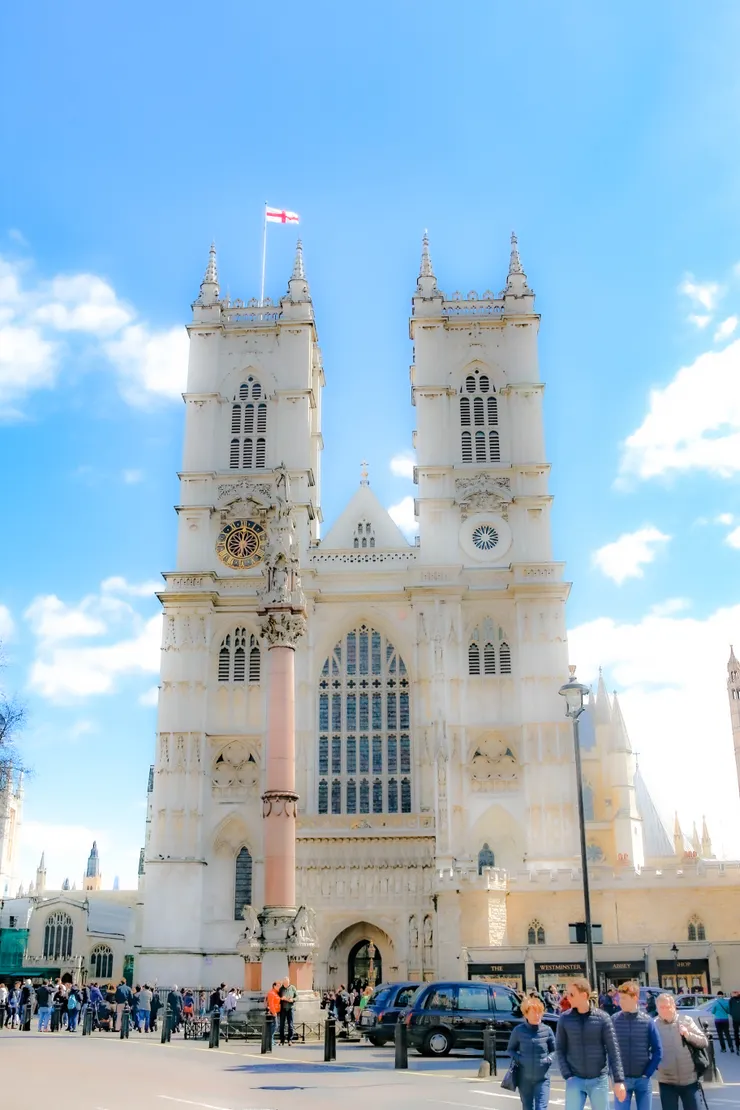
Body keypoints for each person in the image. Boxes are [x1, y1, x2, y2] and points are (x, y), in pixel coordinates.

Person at [555, 978, 625, 1110]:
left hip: (598, 1079)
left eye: (571, 994)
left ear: (584, 995)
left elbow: (613, 1050)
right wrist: (567, 1075)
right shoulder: (564, 1019)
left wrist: (619, 1080)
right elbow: (559, 1049)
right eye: (567, 993)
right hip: (574, 1079)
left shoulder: (603, 1018)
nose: (567, 997)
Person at [611, 981, 663, 1110]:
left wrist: (647, 1073)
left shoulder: (647, 1021)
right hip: (621, 1080)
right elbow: (607, 1050)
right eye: (619, 998)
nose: (619, 1001)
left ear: (635, 998)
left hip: (643, 1080)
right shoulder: (614, 1020)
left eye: (624, 998)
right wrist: (613, 1075)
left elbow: (658, 1050)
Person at [654, 993, 708, 1110]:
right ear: (657, 1008)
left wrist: (687, 1034)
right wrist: (657, 1065)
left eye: (667, 1007)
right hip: (666, 1081)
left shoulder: (686, 1020)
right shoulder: (654, 1025)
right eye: (661, 1007)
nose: (664, 1010)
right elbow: (648, 1050)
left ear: (674, 1006)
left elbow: (704, 1042)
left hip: (689, 1080)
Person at [507, 994, 556, 1110]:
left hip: (542, 1078)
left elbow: (555, 1050)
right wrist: (520, 1059)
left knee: (541, 1107)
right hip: (524, 1079)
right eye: (533, 1012)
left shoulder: (547, 1030)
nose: (537, 1015)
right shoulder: (518, 1031)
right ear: (526, 1014)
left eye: (539, 1012)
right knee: (527, 1107)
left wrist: (548, 1059)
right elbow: (510, 1050)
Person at [279, 976, 297, 1045]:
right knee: (282, 1025)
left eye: (286, 983)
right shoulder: (281, 989)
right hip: (283, 1008)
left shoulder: (292, 988)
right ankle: (282, 1040)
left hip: (290, 1008)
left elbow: (297, 996)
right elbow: (278, 997)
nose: (285, 984)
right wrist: (281, 998)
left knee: (290, 1025)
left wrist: (293, 999)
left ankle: (290, 1040)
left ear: (289, 982)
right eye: (284, 983)